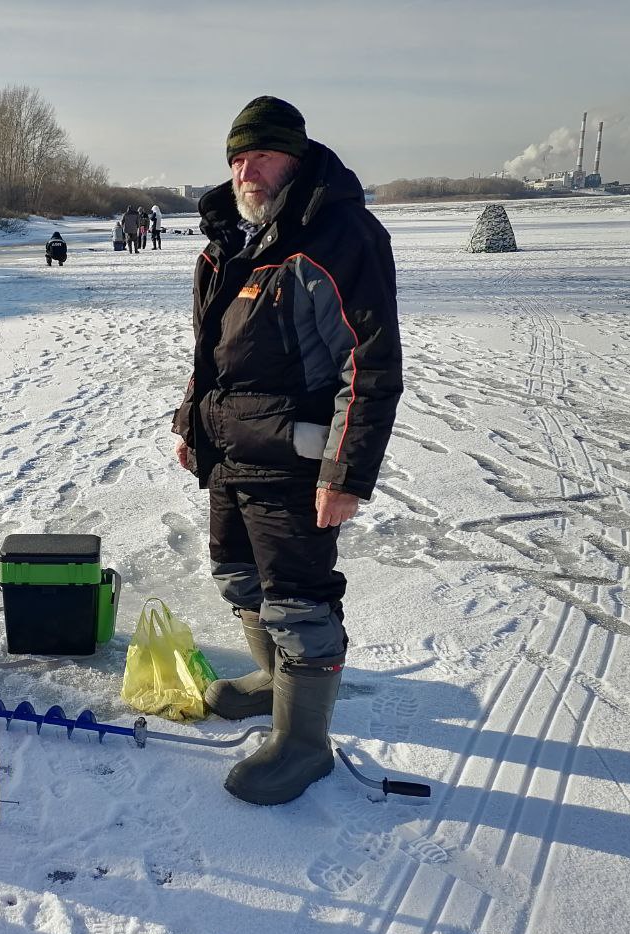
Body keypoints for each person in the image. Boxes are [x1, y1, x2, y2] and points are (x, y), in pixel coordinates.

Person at [171, 96, 402, 806]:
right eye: (238, 158)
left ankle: (304, 746)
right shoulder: (232, 244)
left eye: (261, 156)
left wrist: (346, 472)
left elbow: (370, 363)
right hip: (232, 450)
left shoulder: (337, 236)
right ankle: (274, 683)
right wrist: (190, 423)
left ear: (295, 158)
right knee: (237, 579)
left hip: (296, 462)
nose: (247, 170)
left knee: (298, 602)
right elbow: (211, 356)